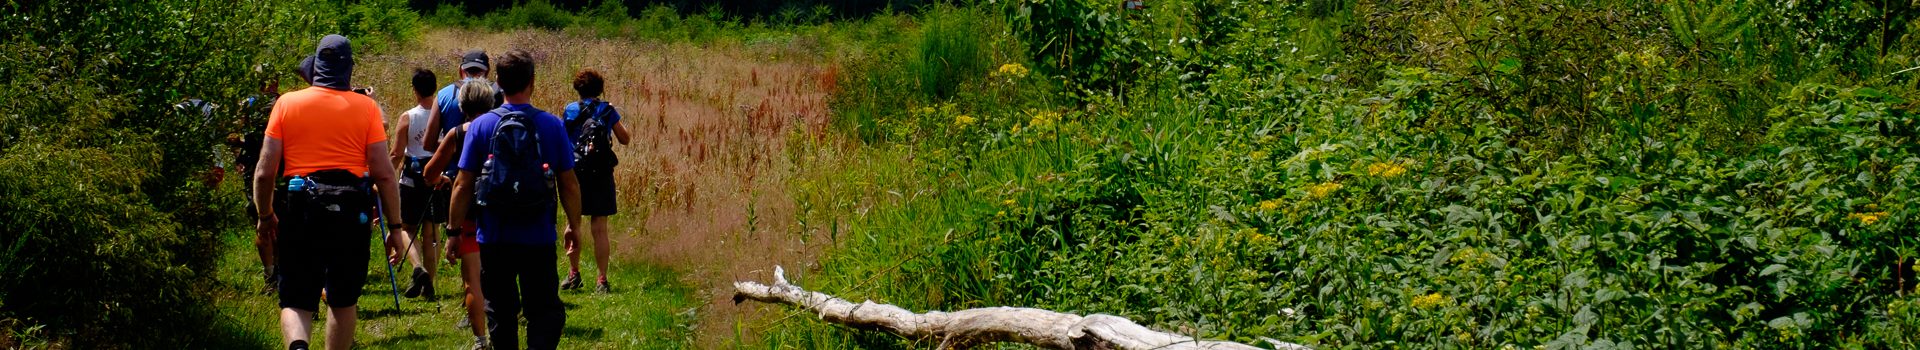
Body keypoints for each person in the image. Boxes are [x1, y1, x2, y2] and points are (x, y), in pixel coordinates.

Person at [252, 35, 406, 350]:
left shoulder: (287, 103)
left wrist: (265, 215)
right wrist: (395, 227)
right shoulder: (367, 108)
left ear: (316, 65)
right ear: (348, 68)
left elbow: (265, 172)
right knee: (343, 298)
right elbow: (385, 174)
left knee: (296, 298)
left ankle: (298, 346)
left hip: (300, 206)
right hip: (351, 210)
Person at [449, 49, 580, 350]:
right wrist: (574, 225)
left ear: (498, 82)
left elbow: (462, 183)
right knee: (544, 310)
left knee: (500, 310)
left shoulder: (481, 126)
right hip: (538, 234)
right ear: (532, 81)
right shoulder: (551, 125)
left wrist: (454, 231)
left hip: (494, 235)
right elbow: (569, 183)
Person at [422, 79, 499, 350]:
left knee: (472, 280)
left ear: (461, 104)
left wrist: (445, 178)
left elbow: (429, 173)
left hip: (468, 214)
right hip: (502, 211)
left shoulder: (458, 133)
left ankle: (481, 341)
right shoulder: (501, 126)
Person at [558, 69, 630, 294]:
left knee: (573, 224)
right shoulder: (607, 110)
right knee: (599, 228)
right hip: (601, 173)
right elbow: (625, 139)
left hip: (575, 173)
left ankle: (574, 273)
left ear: (578, 89)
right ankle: (601, 280)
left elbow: (560, 139)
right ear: (600, 88)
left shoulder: (570, 110)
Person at [231, 66, 281, 294]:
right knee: (281, 218)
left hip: (254, 167)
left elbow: (233, 134)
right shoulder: (284, 102)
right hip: (281, 166)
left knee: (261, 220)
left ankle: (270, 273)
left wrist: (238, 156)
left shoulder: (247, 104)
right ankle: (279, 270)